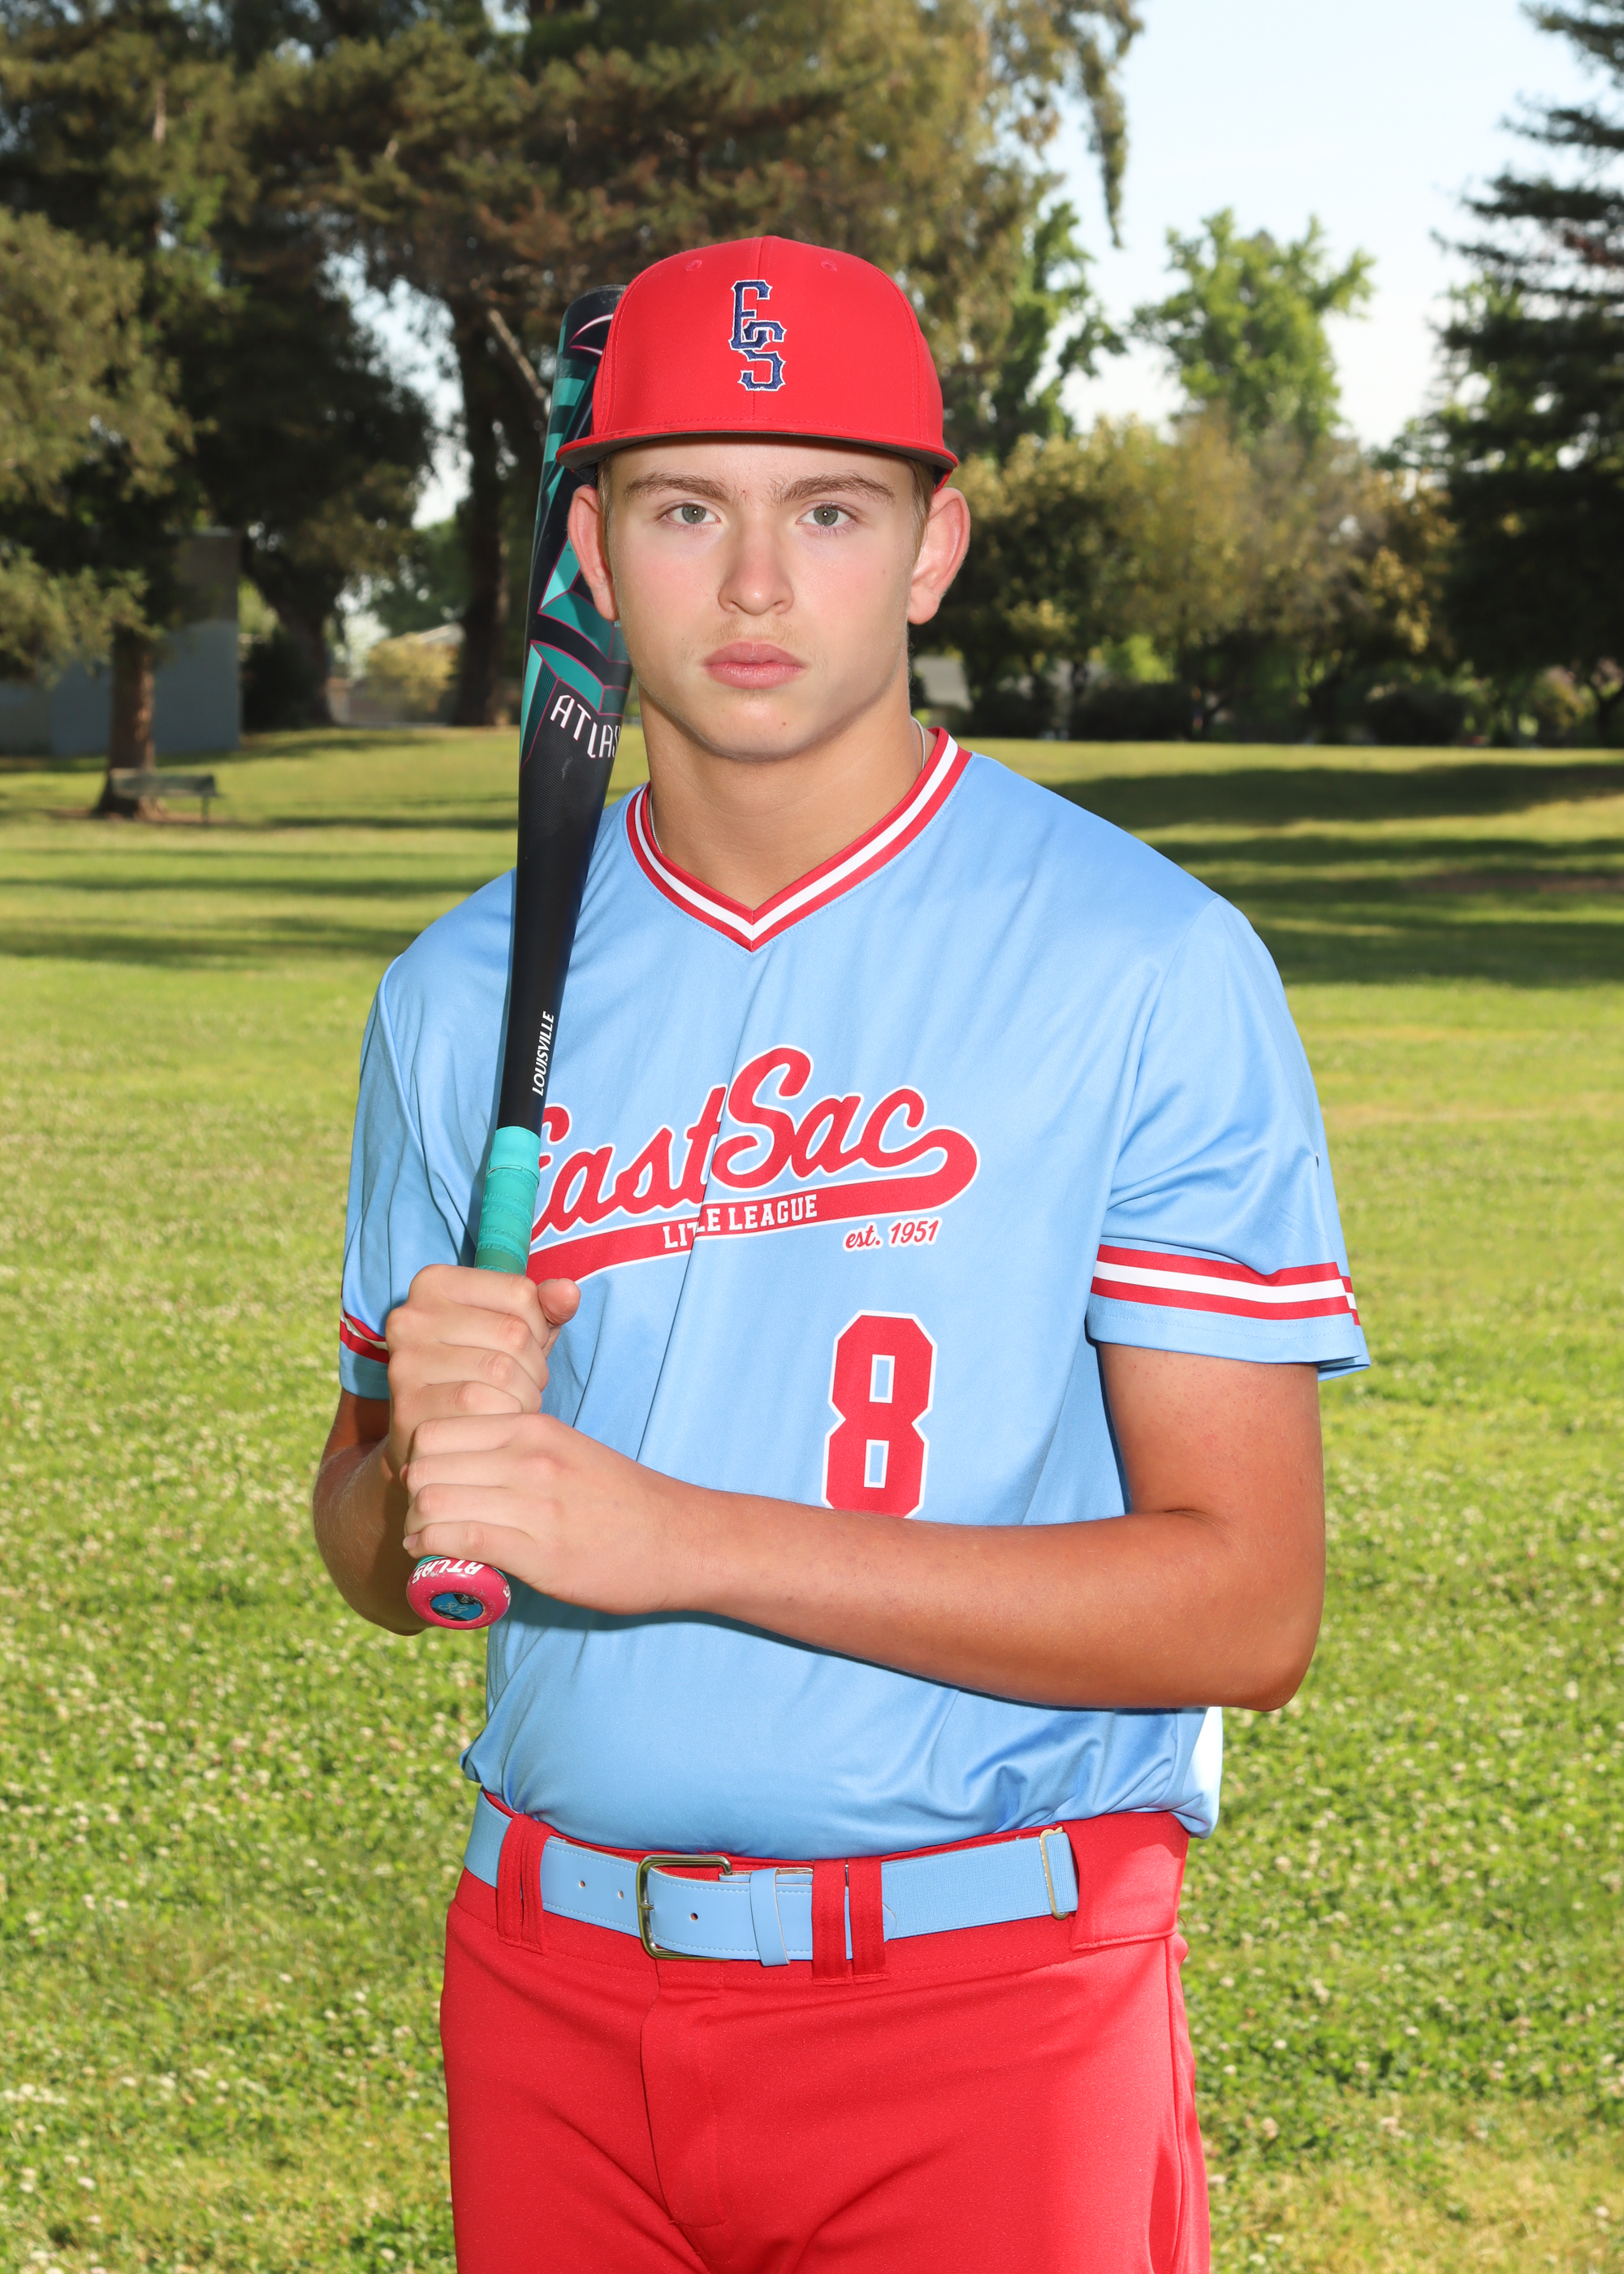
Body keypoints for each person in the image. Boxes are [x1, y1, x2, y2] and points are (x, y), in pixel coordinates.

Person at [313, 236, 1367, 2274]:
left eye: (828, 511)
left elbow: (1247, 1601)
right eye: (683, 509)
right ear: (592, 554)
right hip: (547, 1990)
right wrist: (420, 1471)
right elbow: (371, 1540)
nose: (755, 585)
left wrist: (677, 1535)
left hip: (991, 2002)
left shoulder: (1143, 960)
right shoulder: (458, 997)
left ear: (932, 547)